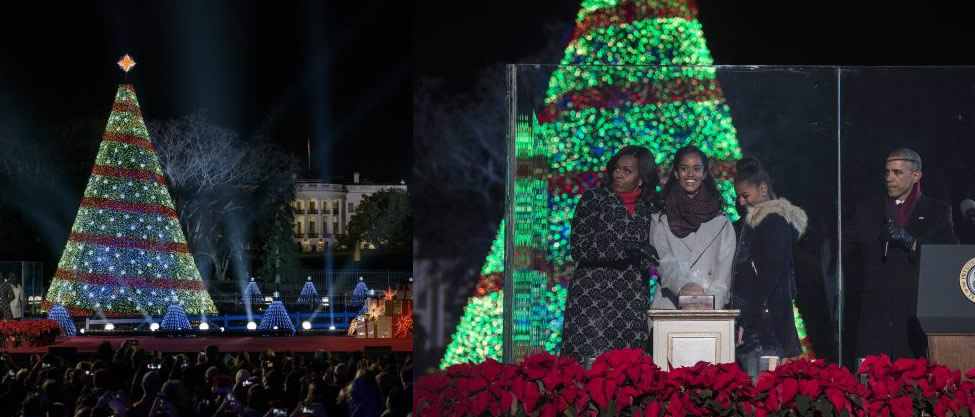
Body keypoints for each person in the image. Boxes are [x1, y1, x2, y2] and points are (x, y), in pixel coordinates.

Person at [846, 148, 958, 359]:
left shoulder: (938, 212)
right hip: (873, 323)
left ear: (916, 176)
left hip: (913, 322)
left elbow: (949, 258)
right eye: (887, 172)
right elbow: (842, 247)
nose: (889, 178)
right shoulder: (867, 210)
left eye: (897, 173)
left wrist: (912, 242)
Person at [561, 145, 661, 366]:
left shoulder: (649, 209)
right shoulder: (593, 199)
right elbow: (579, 247)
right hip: (593, 301)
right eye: (617, 169)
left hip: (631, 304)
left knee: (628, 370)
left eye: (627, 171)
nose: (618, 175)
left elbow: (650, 255)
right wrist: (628, 248)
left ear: (642, 178)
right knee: (587, 369)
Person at [731, 157, 805, 376]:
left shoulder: (772, 222)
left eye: (745, 196)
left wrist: (745, 318)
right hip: (758, 323)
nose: (742, 202)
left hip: (763, 327)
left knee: (759, 393)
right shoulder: (751, 224)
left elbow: (768, 277)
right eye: (739, 197)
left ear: (763, 189)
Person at [651, 146, 735, 310]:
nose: (690, 174)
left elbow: (723, 274)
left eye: (696, 169)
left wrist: (708, 305)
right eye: (684, 168)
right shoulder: (659, 218)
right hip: (670, 308)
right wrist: (685, 291)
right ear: (676, 173)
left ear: (704, 174)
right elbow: (663, 261)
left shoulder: (722, 223)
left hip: (709, 310)